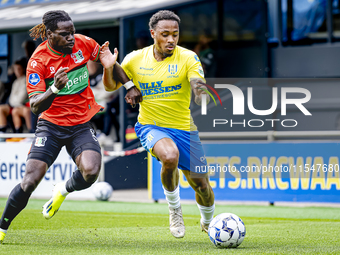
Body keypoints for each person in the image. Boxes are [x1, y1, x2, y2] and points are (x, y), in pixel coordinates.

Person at [0, 10, 142, 244]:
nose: (71, 38)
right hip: (50, 126)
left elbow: (109, 61)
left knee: (91, 173)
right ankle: (2, 227)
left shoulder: (84, 44)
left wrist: (128, 85)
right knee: (30, 181)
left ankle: (62, 190)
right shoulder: (38, 61)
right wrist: (54, 88)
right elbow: (35, 106)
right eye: (65, 35)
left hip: (80, 125)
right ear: (49, 35)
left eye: (73, 33)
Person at [100, 10, 215, 239]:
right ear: (153, 34)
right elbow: (110, 86)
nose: (171, 39)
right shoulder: (135, 58)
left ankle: (209, 220)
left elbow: (197, 81)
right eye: (165, 34)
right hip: (150, 125)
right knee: (169, 156)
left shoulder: (188, 57)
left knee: (202, 186)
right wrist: (108, 67)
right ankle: (174, 209)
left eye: (175, 34)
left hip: (184, 128)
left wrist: (200, 91)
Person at [0, 57, 31, 133]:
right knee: (1, 108)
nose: (17, 71)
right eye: (15, 69)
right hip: (13, 105)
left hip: (21, 105)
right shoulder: (15, 81)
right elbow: (12, 98)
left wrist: (13, 103)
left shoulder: (26, 80)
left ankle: (19, 132)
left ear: (23, 69)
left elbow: (21, 98)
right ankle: (2, 131)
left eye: (19, 69)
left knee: (15, 111)